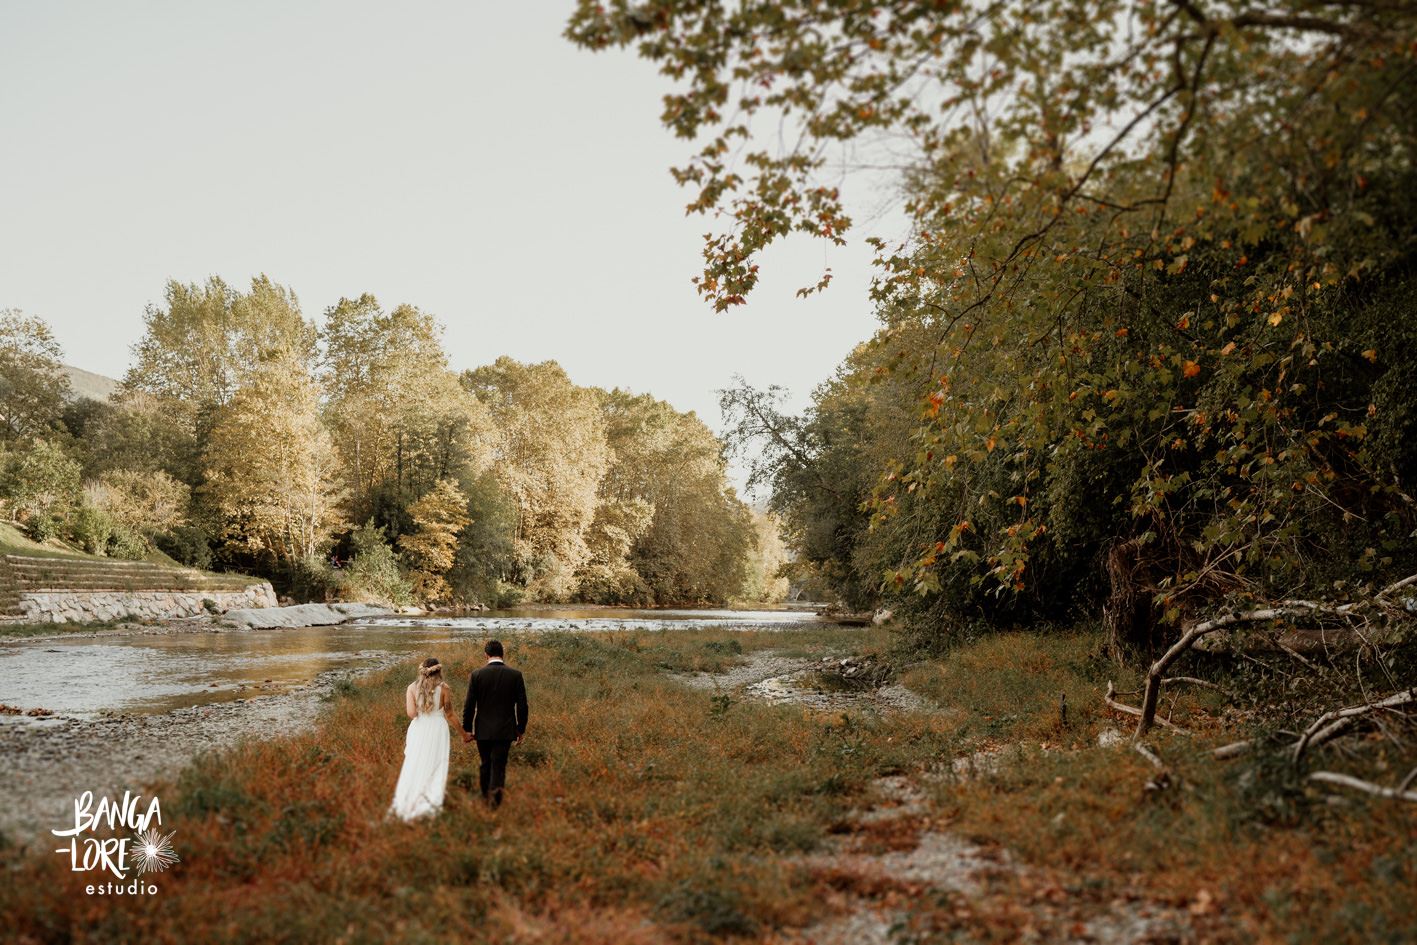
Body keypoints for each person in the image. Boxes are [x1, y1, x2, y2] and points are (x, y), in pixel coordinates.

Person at [388, 657, 467, 822]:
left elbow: (411, 714)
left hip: (419, 728)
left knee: (415, 763)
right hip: (438, 728)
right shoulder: (444, 688)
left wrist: (422, 709)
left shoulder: (411, 688)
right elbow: (450, 714)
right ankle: (431, 799)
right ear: (439, 671)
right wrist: (464, 734)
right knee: (436, 763)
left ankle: (410, 801)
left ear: (422, 671)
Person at [461, 640, 528, 808]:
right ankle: (494, 803)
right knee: (499, 765)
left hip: (483, 730)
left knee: (485, 764)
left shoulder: (476, 675)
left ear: (486, 656)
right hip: (505, 729)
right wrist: (521, 729)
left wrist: (467, 730)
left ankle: (485, 797)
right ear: (503, 655)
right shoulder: (515, 675)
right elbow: (522, 705)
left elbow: (469, 706)